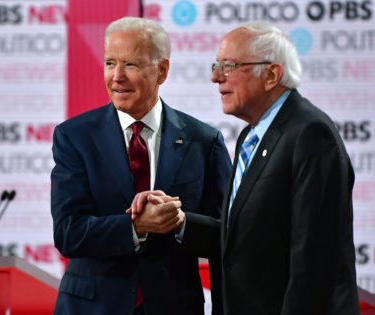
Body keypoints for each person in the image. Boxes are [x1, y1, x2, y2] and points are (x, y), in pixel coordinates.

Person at [132, 22, 360, 315]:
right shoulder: (251, 136)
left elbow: (314, 259)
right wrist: (180, 221)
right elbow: (242, 238)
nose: (216, 77)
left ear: (271, 75)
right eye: (217, 65)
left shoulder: (310, 134)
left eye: (228, 66)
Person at [50, 16, 231, 315]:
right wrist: (136, 225)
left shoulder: (203, 140)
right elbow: (68, 232)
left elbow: (224, 236)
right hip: (92, 307)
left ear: (162, 70)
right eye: (110, 63)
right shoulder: (75, 137)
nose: (117, 76)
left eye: (131, 65)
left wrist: (181, 222)